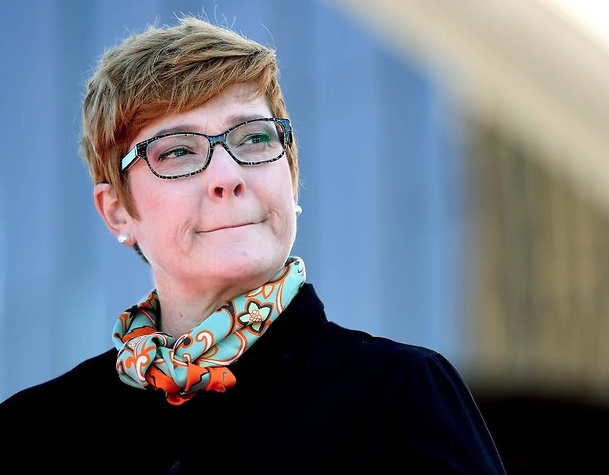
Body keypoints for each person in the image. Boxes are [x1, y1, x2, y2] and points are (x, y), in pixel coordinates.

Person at [0, 16, 505, 475]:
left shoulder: (402, 397)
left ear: (292, 175)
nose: (228, 175)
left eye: (255, 139)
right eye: (178, 151)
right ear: (116, 210)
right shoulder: (33, 432)